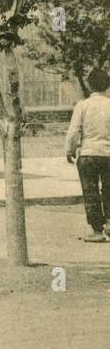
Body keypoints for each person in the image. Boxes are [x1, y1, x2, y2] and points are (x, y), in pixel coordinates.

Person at [66, 68, 110, 243]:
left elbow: (74, 131)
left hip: (88, 153)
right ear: (107, 85)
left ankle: (97, 231)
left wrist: (69, 150)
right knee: (109, 189)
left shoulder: (82, 105)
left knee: (90, 191)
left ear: (90, 85)